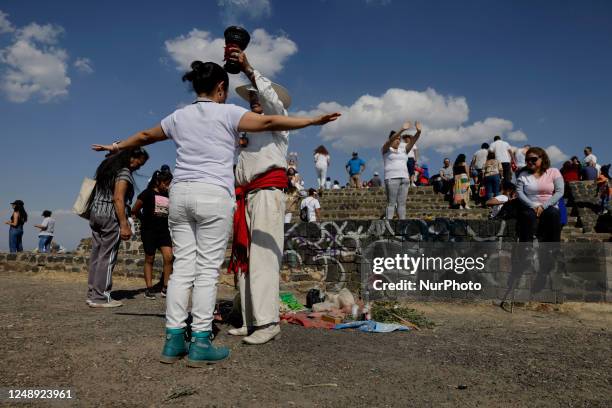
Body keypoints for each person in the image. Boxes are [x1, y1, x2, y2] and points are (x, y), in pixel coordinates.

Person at [91, 61, 339, 365]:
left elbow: (144, 135)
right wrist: (313, 121)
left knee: (182, 269)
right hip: (212, 195)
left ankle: (172, 340)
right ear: (221, 88)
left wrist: (116, 146)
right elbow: (269, 122)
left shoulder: (179, 116)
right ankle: (200, 342)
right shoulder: (230, 114)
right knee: (206, 271)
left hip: (180, 195)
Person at [230, 48, 302, 344]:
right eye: (251, 98)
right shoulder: (245, 131)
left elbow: (271, 101)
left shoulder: (278, 124)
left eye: (258, 97)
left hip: (267, 193)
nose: (254, 101)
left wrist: (249, 70)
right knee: (245, 258)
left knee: (263, 258)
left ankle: (269, 322)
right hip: (245, 196)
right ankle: (251, 320)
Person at [87, 148, 149, 308]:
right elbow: (118, 198)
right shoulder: (124, 172)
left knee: (97, 255)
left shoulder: (106, 167)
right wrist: (124, 224)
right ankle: (101, 297)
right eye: (138, 162)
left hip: (96, 213)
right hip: (110, 216)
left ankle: (92, 293)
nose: (138, 167)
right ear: (131, 156)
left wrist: (111, 148)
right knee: (107, 258)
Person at [131, 170, 173, 300]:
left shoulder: (168, 195)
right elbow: (135, 209)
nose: (167, 186)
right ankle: (149, 288)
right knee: (150, 259)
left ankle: (165, 287)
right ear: (157, 181)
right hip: (149, 231)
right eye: (165, 183)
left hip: (164, 231)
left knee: (169, 257)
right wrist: (143, 219)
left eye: (169, 183)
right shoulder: (147, 193)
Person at [516, 147, 564, 242]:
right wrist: (533, 205)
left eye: (533, 159)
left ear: (543, 158)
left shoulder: (554, 172)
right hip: (530, 205)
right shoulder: (523, 175)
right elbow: (519, 192)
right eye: (527, 160)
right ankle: (525, 250)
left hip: (549, 205)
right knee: (526, 216)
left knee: (553, 214)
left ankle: (553, 250)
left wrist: (543, 206)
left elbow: (559, 192)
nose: (530, 162)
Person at [381, 121, 422, 219]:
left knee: (402, 204)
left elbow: (413, 141)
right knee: (391, 203)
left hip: (404, 178)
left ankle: (402, 226)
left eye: (399, 139)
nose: (398, 141)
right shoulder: (386, 149)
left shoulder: (403, 150)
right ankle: (388, 225)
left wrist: (418, 132)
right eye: (396, 139)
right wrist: (402, 129)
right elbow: (389, 142)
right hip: (392, 178)